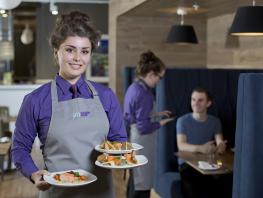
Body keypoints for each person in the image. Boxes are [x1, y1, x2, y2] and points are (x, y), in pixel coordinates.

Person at [11, 11, 127, 198]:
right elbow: (19, 148)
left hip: (102, 193)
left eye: (84, 51)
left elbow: (119, 141)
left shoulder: (106, 96)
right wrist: (34, 173)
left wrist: (120, 156)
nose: (77, 58)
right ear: (56, 52)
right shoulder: (36, 100)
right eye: (70, 49)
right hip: (58, 193)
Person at [123, 50, 174, 198]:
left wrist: (157, 114)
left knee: (135, 180)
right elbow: (143, 127)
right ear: (151, 74)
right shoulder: (144, 94)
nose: (159, 81)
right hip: (141, 141)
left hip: (132, 139)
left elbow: (133, 113)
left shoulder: (135, 87)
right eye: (159, 77)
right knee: (142, 185)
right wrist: (161, 123)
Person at [176, 87, 228, 198]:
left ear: (208, 103)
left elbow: (219, 142)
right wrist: (201, 148)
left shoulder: (215, 121)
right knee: (193, 185)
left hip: (209, 164)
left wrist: (221, 147)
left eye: (200, 100)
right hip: (187, 164)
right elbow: (181, 145)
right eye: (193, 99)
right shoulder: (182, 121)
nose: (195, 103)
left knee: (224, 181)